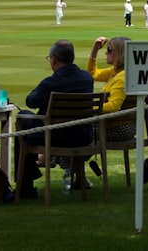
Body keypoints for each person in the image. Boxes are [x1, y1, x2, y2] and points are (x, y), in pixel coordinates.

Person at [15, 40, 94, 199]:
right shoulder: (86, 78)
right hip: (82, 135)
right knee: (28, 121)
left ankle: (25, 187)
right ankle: (28, 181)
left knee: (23, 118)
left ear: (53, 59)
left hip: (57, 136)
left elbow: (31, 101)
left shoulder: (51, 82)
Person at [86, 36, 136, 143]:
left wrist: (88, 108)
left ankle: (50, 160)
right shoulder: (116, 71)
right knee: (70, 132)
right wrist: (94, 50)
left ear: (120, 53)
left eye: (109, 50)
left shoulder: (122, 76)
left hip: (118, 128)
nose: (106, 53)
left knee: (70, 132)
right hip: (116, 126)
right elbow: (92, 74)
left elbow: (114, 106)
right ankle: (48, 160)